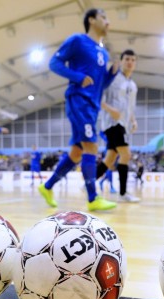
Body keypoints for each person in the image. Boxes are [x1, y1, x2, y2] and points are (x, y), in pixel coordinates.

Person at [38, 8, 119, 211]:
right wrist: (77, 77)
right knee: (91, 147)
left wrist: (111, 74)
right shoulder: (77, 40)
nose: (107, 22)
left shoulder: (103, 51)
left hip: (92, 105)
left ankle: (47, 187)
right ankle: (93, 198)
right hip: (79, 100)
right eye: (104, 17)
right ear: (91, 20)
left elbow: (100, 84)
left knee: (76, 152)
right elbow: (54, 63)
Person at [96, 49, 140, 202]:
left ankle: (88, 183)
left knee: (110, 159)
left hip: (123, 125)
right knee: (126, 155)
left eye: (133, 60)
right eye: (127, 59)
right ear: (122, 61)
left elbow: (130, 107)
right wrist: (110, 109)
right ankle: (123, 193)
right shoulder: (113, 79)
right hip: (112, 123)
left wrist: (133, 120)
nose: (130, 62)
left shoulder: (133, 85)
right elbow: (98, 97)